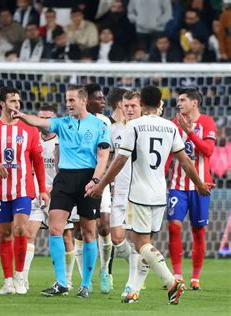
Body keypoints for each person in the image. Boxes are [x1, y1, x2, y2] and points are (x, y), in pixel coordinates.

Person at [86, 85, 210, 305]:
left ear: (141, 104)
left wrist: (101, 184)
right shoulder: (170, 127)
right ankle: (133, 290)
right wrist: (199, 183)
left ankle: (171, 281)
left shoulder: (134, 126)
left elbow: (120, 160)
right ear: (159, 103)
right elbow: (184, 160)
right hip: (160, 193)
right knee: (144, 244)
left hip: (139, 193)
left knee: (139, 243)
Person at [11, 85, 110, 298]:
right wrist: (22, 116)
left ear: (83, 101)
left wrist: (95, 180)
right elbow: (40, 122)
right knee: (55, 228)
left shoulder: (100, 125)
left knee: (88, 232)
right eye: (67, 100)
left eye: (72, 100)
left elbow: (103, 156)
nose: (68, 104)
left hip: (88, 178)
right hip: (64, 179)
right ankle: (61, 282)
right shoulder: (62, 123)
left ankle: (85, 284)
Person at [0, 87, 49, 295]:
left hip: (23, 190)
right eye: (12, 101)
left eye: (18, 101)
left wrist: (42, 189)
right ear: (2, 104)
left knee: (20, 230)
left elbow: (38, 161)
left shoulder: (30, 130)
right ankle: (7, 282)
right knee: (5, 235)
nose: (17, 104)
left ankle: (20, 278)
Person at [166, 88, 216, 291]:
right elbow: (169, 154)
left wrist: (190, 133)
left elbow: (208, 151)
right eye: (178, 100)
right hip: (177, 185)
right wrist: (161, 176)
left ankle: (195, 277)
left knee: (199, 231)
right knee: (173, 227)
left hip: (201, 186)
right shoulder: (172, 124)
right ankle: (177, 275)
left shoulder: (207, 123)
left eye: (183, 100)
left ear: (194, 102)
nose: (179, 103)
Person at [21, 105, 75, 291]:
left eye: (48, 118)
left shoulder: (62, 140)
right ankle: (23, 280)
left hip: (59, 193)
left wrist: (54, 187)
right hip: (36, 193)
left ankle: (66, 281)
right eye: (41, 117)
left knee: (67, 237)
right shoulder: (31, 140)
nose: (43, 122)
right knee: (28, 234)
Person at [108, 90, 147, 298]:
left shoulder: (145, 129)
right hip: (119, 191)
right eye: (126, 106)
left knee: (135, 239)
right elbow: (110, 159)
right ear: (120, 106)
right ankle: (142, 266)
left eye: (133, 106)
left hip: (138, 192)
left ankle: (132, 284)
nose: (129, 109)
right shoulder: (114, 130)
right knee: (116, 238)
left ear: (141, 107)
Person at [84, 83, 113, 294]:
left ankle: (105, 271)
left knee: (103, 227)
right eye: (99, 98)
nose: (103, 102)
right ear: (87, 100)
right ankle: (85, 278)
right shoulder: (76, 121)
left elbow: (110, 155)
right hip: (79, 180)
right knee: (80, 231)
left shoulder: (107, 122)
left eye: (104, 98)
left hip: (101, 182)